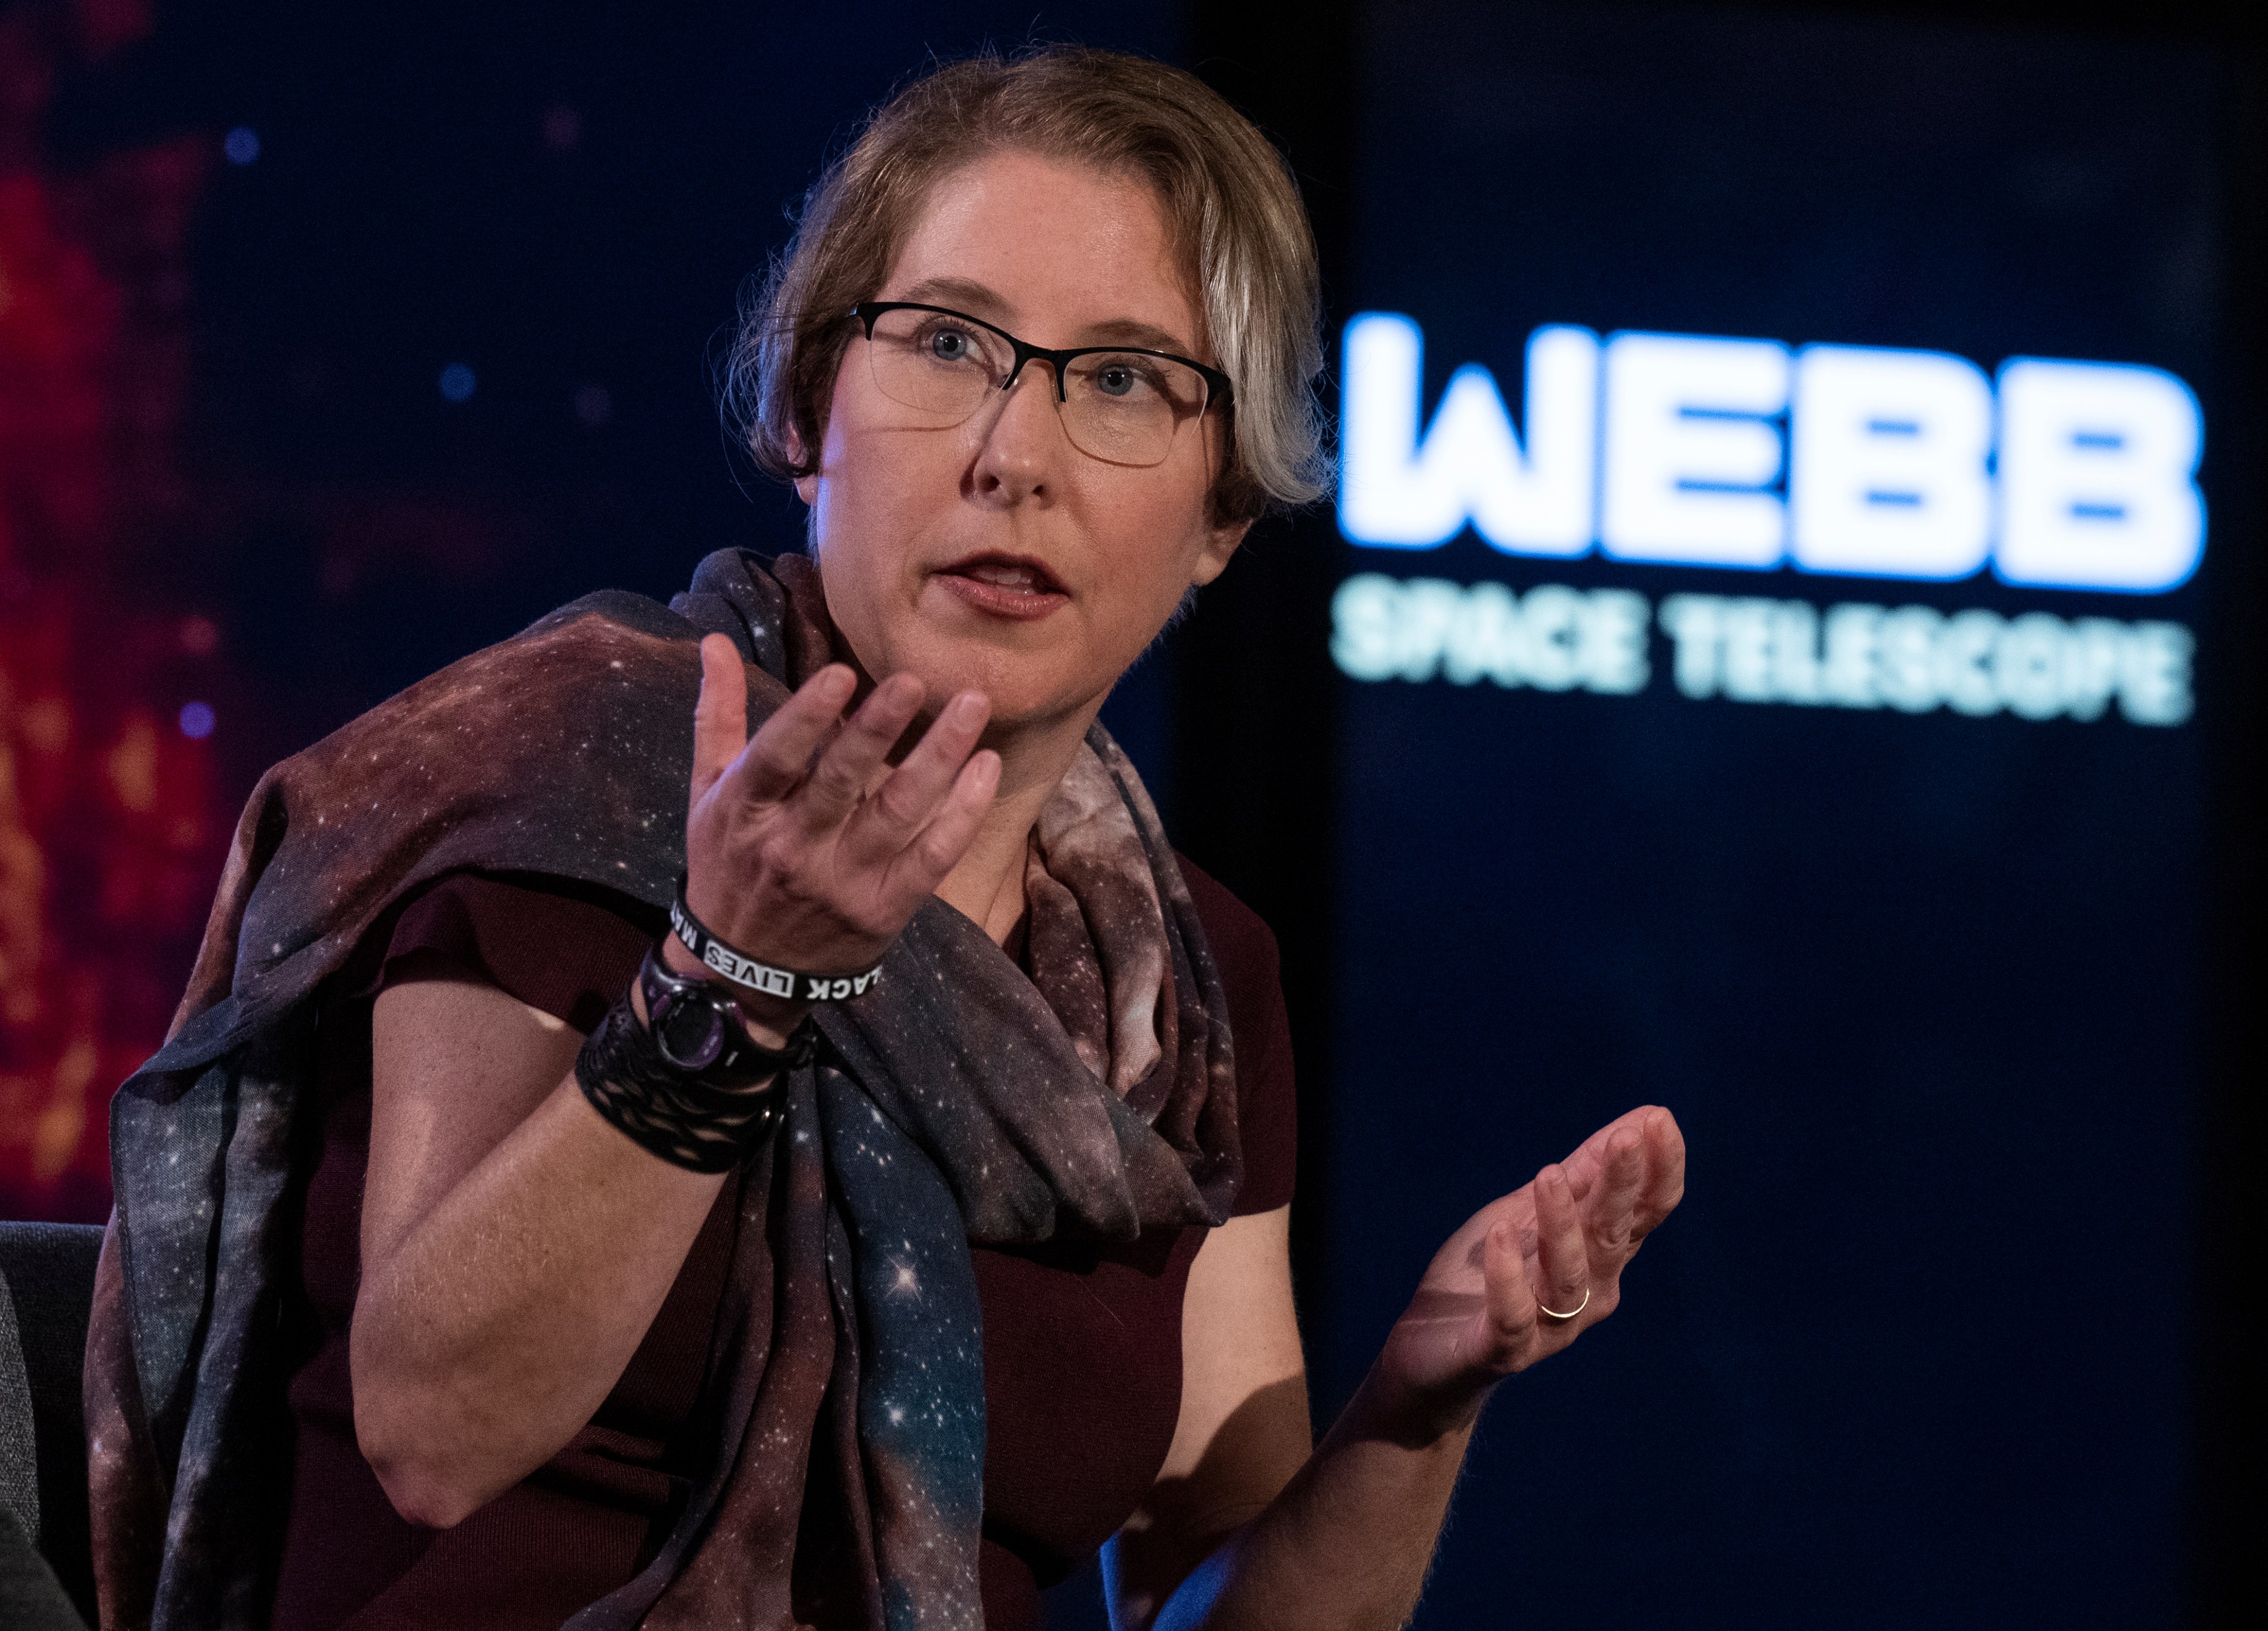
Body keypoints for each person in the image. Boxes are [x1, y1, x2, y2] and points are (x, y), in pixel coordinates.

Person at [85, 45, 1684, 1631]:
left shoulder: (1184, 989)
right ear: (806, 407)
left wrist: (1418, 1399)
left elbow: (1220, 1606)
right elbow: (437, 1428)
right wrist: (734, 970)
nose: (1015, 454)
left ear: (1220, 521)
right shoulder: (570, 784)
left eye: (1124, 379)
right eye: (945, 342)